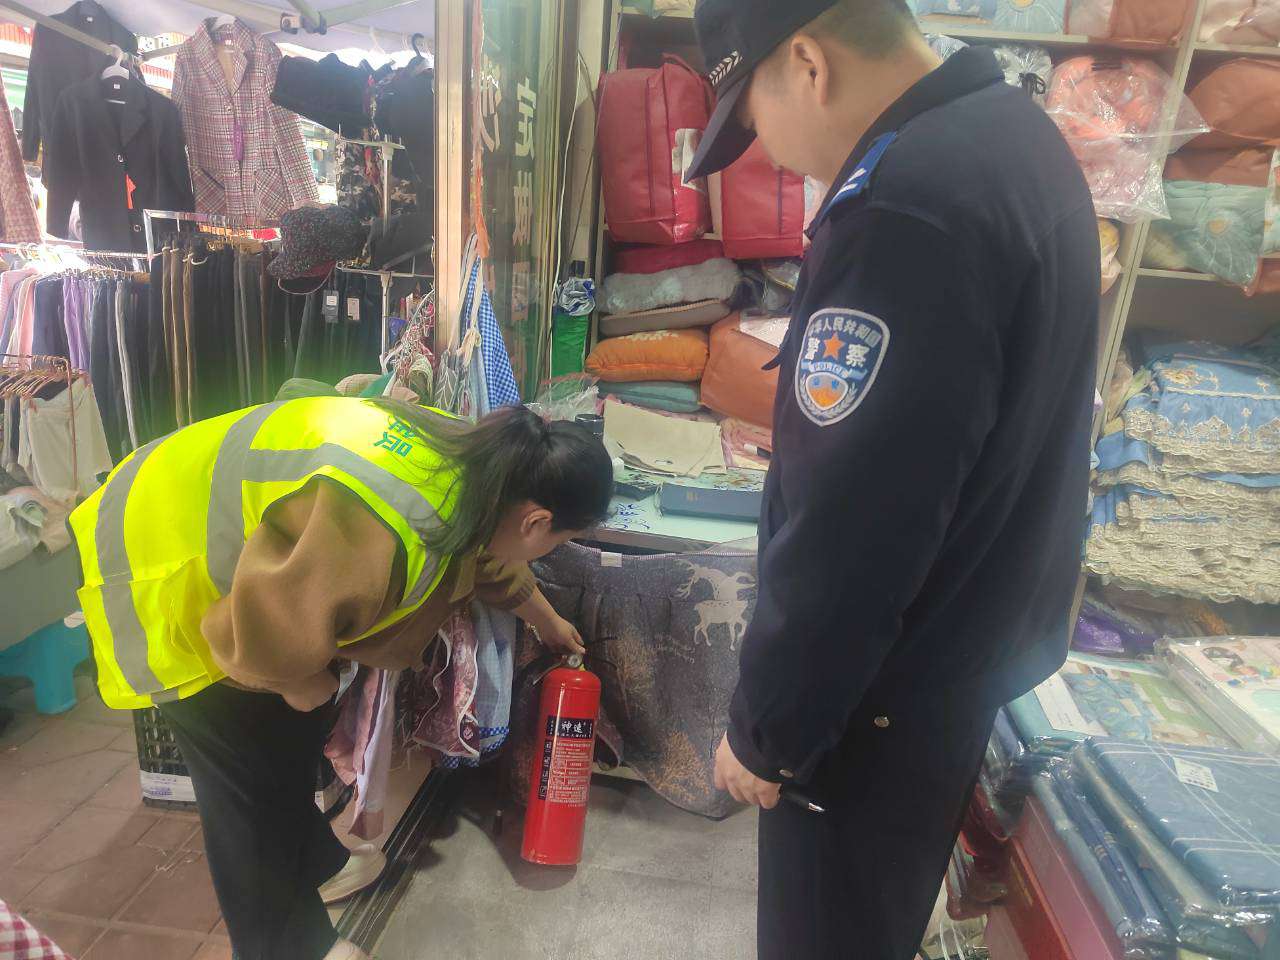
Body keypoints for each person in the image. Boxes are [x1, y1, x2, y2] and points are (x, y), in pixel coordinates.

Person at [686, 1, 1099, 957]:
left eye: (752, 116)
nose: (764, 150)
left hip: (873, 702)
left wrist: (768, 729)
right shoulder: (1011, 135)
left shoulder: (904, 208)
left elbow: (856, 527)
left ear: (808, 63)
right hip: (953, 661)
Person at [68, 397, 613, 960]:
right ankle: (288, 948)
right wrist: (297, 681)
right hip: (157, 551)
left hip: (230, 549)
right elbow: (247, 635)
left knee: (289, 741)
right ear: (536, 521)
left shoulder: (481, 462)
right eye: (557, 541)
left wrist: (545, 619)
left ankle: (320, 865)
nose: (548, 549)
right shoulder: (377, 527)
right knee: (247, 785)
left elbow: (483, 551)